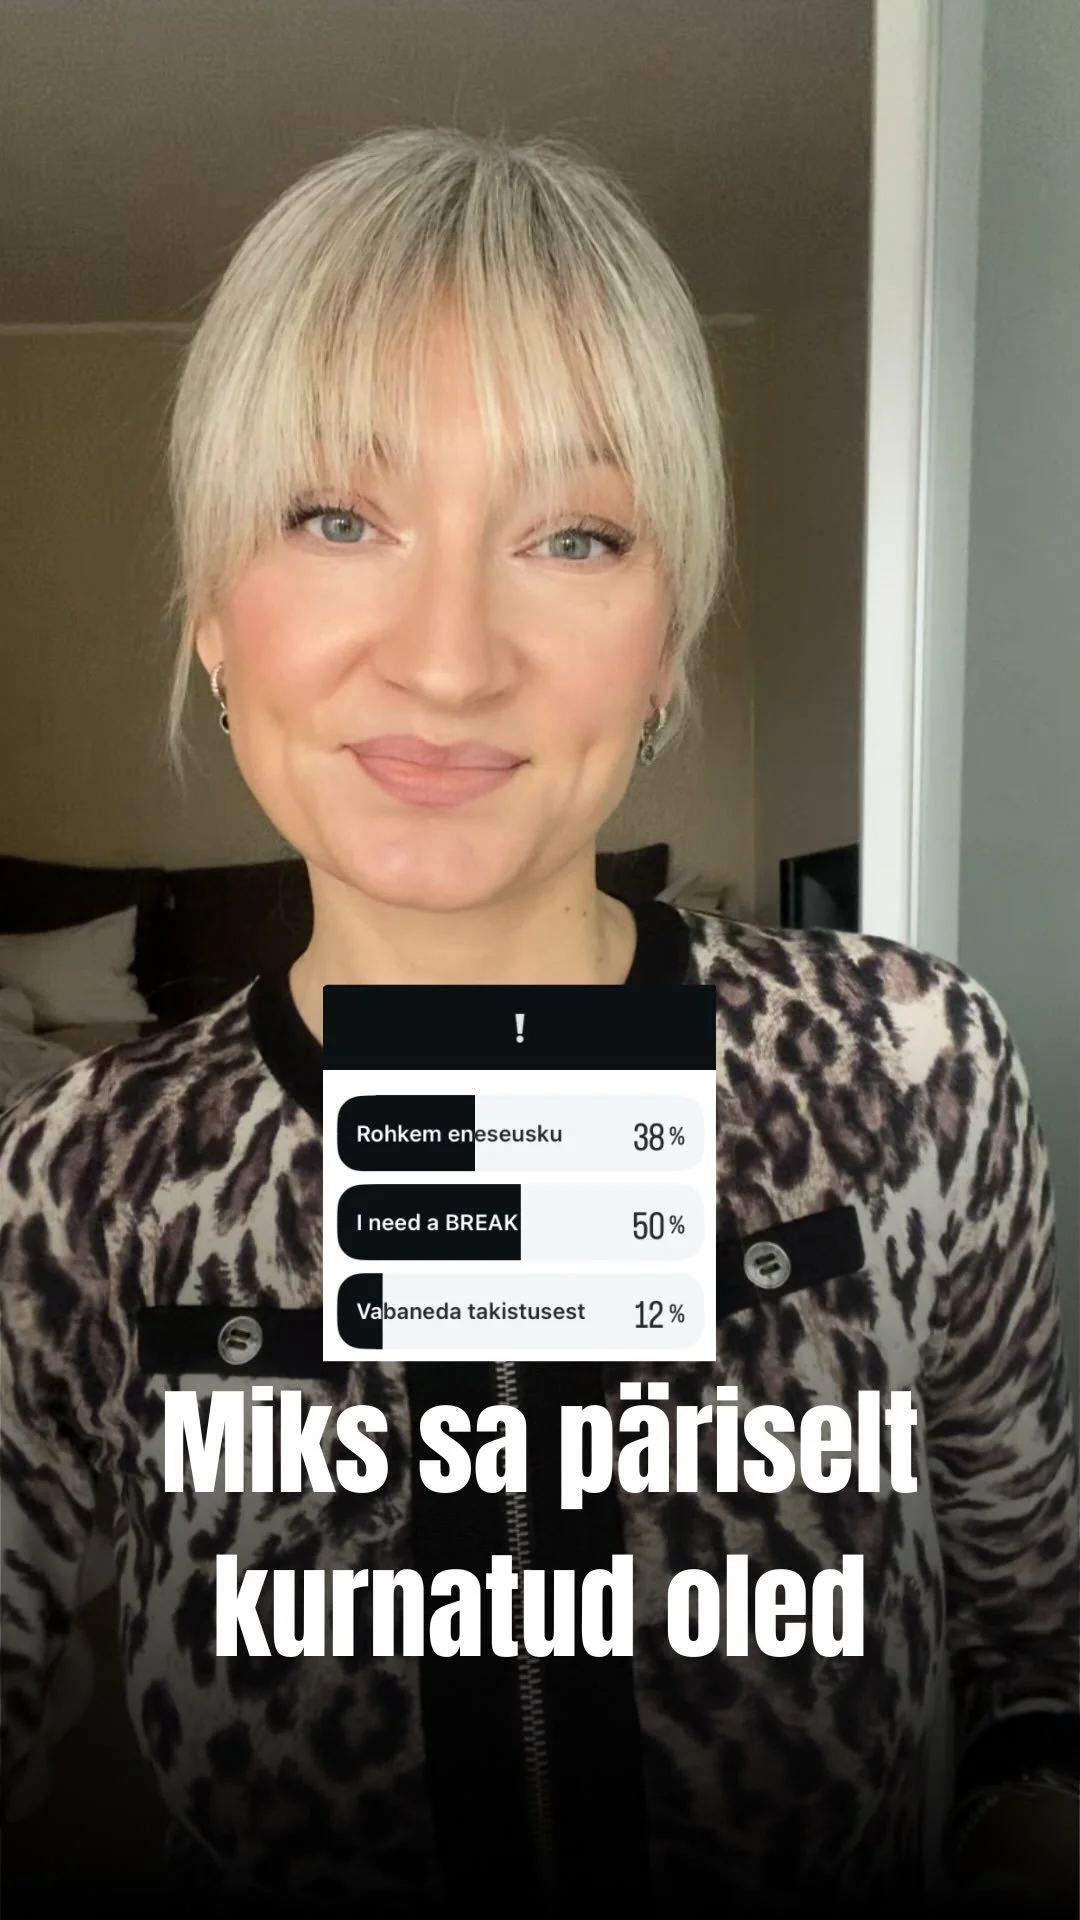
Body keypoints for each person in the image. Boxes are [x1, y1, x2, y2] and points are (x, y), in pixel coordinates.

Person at [0, 128, 1076, 1920]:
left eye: (573, 536)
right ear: (213, 615)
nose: (449, 658)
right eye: (336, 519)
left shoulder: (913, 1067)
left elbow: (1036, 1654)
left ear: (667, 641)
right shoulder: (73, 1183)